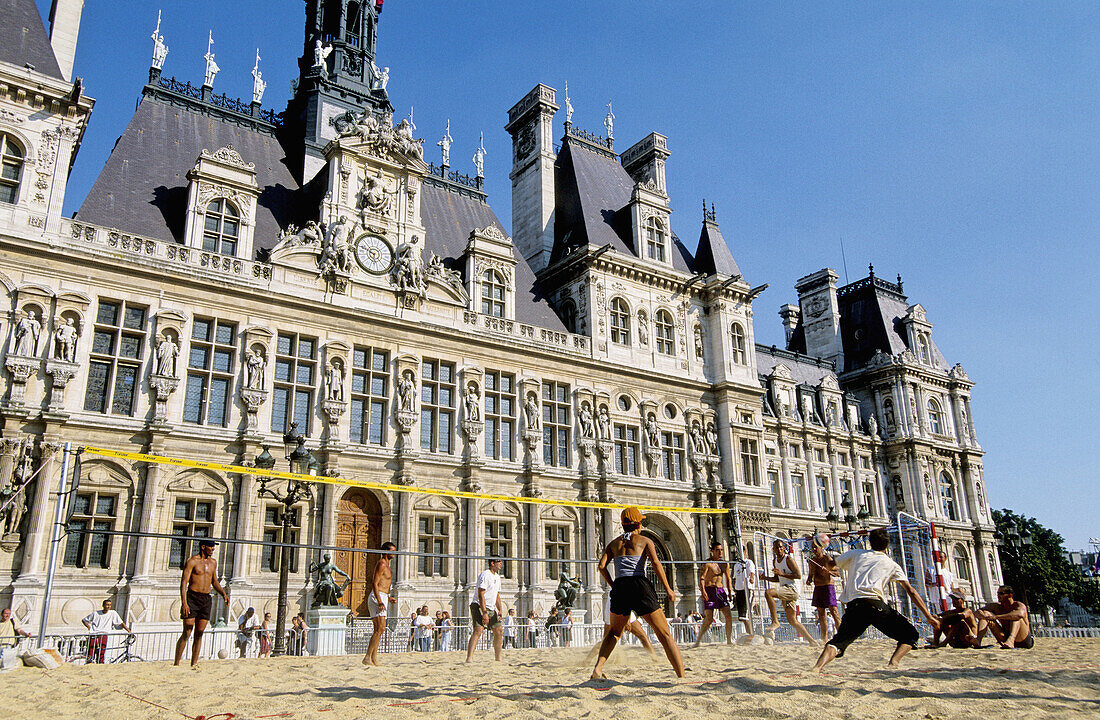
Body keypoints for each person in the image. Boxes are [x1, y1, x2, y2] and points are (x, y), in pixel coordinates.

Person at [811, 527, 940, 673]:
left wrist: (827, 562)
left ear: (870, 543)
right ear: (886, 545)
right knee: (911, 635)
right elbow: (911, 591)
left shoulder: (856, 554)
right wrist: (928, 616)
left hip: (855, 605)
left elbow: (830, 564)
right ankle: (893, 663)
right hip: (876, 605)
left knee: (838, 642)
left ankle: (817, 667)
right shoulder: (891, 563)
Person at [591, 507, 686, 680]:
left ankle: (597, 669)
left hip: (620, 585)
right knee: (664, 633)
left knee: (613, 632)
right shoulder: (644, 541)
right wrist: (668, 589)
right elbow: (656, 564)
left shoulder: (613, 544)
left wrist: (613, 584)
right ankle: (681, 675)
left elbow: (601, 567)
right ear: (638, 524)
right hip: (639, 585)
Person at [174, 538, 229, 667]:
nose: (213, 549)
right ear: (203, 547)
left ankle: (194, 663)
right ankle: (176, 662)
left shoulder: (213, 563)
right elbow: (184, 582)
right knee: (187, 630)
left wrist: (223, 594)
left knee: (199, 633)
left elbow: (214, 581)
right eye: (211, 546)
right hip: (192, 597)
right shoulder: (192, 561)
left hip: (205, 598)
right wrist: (184, 602)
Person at [761, 539, 817, 644]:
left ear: (784, 548)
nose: (779, 549)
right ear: (773, 549)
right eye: (776, 547)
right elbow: (777, 579)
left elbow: (798, 575)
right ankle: (812, 641)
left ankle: (775, 621)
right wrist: (765, 578)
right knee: (792, 620)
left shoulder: (788, 559)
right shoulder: (775, 561)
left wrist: (782, 574)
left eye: (780, 547)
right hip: (784, 589)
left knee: (768, 592)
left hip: (792, 589)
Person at [694, 542, 735, 646]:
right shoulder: (707, 563)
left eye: (721, 550)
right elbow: (702, 577)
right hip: (710, 590)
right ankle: (698, 640)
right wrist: (703, 591)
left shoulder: (724, 564)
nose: (720, 552)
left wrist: (730, 592)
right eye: (717, 550)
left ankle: (729, 640)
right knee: (709, 619)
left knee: (728, 615)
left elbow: (728, 578)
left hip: (720, 590)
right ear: (712, 551)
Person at [465, 557, 505, 662]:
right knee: (478, 630)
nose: (501, 564)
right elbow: (481, 595)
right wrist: (484, 613)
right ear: (492, 563)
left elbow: (497, 595)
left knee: (499, 631)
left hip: (491, 607)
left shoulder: (497, 577)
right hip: (479, 606)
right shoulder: (485, 575)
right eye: (499, 562)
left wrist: (500, 609)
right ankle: (469, 658)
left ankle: (498, 658)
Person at [364, 541, 397, 666]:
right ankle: (368, 656)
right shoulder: (382, 564)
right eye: (392, 551)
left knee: (379, 629)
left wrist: (388, 598)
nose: (394, 553)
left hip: (383, 596)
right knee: (380, 628)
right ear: (386, 551)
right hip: (377, 597)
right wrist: (379, 601)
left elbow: (384, 585)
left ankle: (372, 657)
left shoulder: (387, 565)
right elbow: (375, 583)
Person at [807, 534, 841, 642]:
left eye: (816, 547)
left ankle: (841, 637)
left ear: (821, 547)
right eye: (812, 547)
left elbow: (838, 573)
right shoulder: (812, 561)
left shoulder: (827, 559)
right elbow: (811, 575)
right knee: (821, 614)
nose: (814, 549)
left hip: (828, 587)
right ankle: (824, 638)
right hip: (818, 588)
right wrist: (809, 580)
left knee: (834, 612)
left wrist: (828, 571)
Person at [82, 598, 132, 664]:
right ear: (103, 605)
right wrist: (89, 628)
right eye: (107, 605)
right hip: (94, 635)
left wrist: (129, 631)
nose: (108, 606)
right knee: (91, 652)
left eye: (109, 605)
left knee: (101, 653)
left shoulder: (112, 613)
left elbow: (121, 623)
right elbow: (84, 620)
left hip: (103, 635)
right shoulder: (96, 613)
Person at [730, 547, 758, 638]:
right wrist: (733, 587)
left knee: (746, 615)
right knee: (742, 617)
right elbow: (734, 577)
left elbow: (752, 573)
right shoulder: (736, 565)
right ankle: (749, 634)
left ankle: (751, 635)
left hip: (747, 589)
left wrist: (752, 578)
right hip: (739, 591)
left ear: (745, 552)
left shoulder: (749, 562)